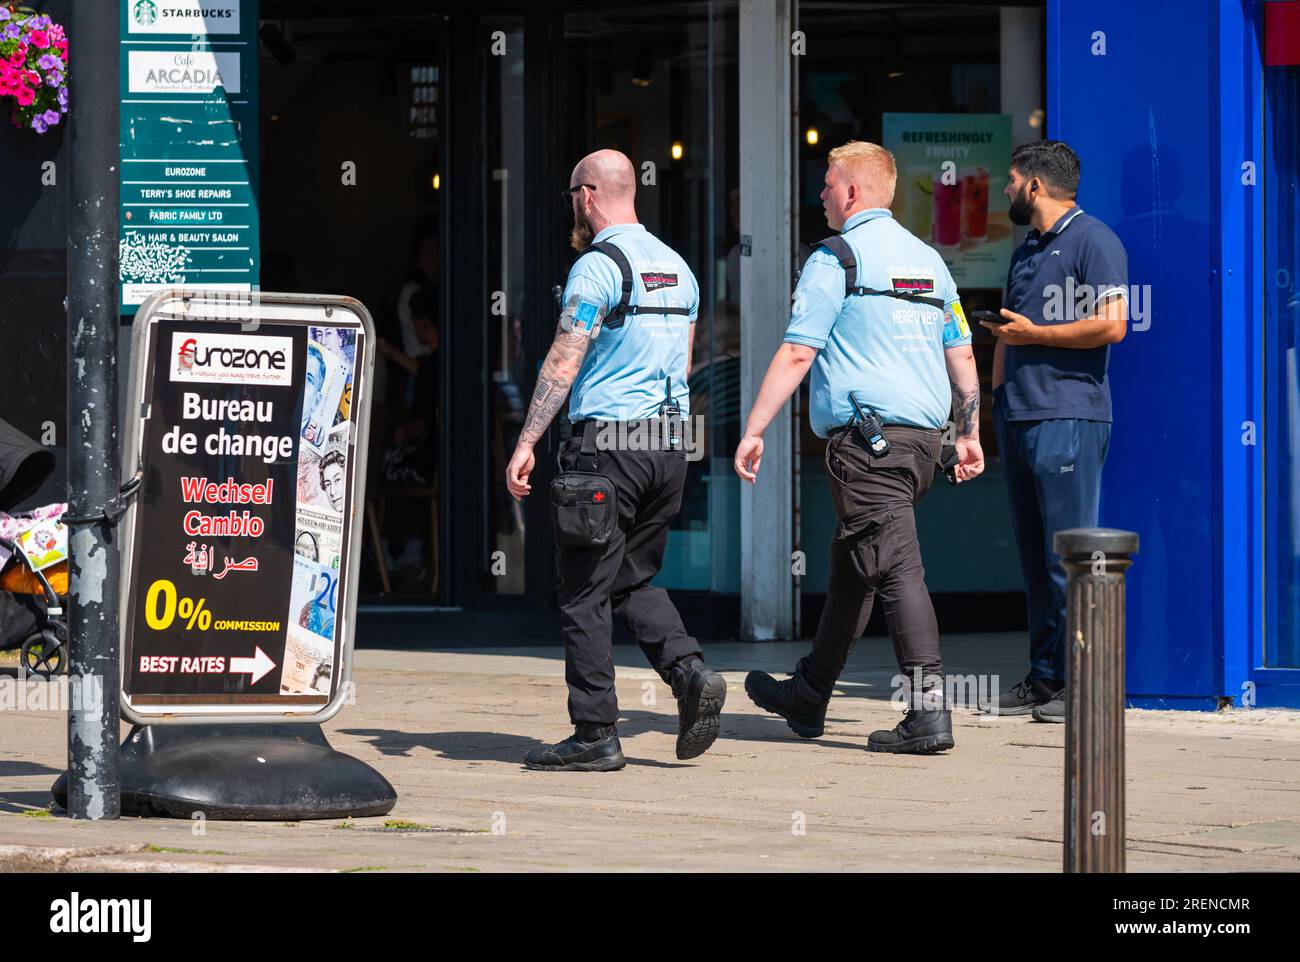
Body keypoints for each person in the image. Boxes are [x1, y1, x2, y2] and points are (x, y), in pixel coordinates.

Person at [736, 141, 984, 754]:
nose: (820, 194)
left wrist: (754, 428)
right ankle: (810, 695)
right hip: (924, 446)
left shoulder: (834, 258)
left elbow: (798, 351)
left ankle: (928, 713)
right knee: (855, 568)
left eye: (827, 184)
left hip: (868, 448)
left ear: (852, 192)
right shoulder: (931, 262)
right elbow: (962, 355)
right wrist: (970, 434)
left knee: (896, 567)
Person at [505, 148, 727, 772]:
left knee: (582, 590)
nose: (571, 206)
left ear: (588, 195)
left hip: (606, 448)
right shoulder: (680, 269)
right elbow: (683, 365)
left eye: (572, 194)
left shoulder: (596, 268)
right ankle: (688, 673)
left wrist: (526, 441)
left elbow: (563, 359)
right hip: (669, 446)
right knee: (630, 575)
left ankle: (595, 731)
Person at [979, 140, 1128, 722]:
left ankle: (1083, 686)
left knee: (1070, 558)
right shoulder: (1027, 250)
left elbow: (1114, 325)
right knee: (1035, 560)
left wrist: (1036, 335)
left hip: (1069, 416)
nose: (1007, 190)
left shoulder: (1095, 239)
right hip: (1018, 415)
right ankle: (1045, 680)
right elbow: (1008, 334)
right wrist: (989, 407)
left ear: (1035, 186)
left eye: (1012, 181)